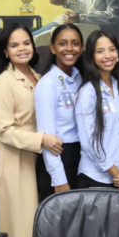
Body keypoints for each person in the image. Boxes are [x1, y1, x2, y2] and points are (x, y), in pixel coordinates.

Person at [0, 23, 61, 237]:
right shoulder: (3, 83)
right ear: (5, 52)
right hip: (14, 160)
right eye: (14, 45)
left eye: (26, 43)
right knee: (21, 228)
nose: (21, 48)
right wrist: (41, 139)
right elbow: (4, 131)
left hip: (39, 158)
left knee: (40, 224)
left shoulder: (40, 77)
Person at [75, 31, 119, 189]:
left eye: (111, 49)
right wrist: (116, 173)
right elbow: (89, 142)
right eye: (100, 51)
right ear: (91, 56)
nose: (108, 55)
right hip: (95, 178)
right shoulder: (87, 93)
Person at [35, 24, 84, 198]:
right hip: (59, 160)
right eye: (63, 43)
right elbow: (48, 137)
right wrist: (59, 180)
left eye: (75, 43)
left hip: (79, 158)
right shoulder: (47, 84)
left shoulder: (80, 79)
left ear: (82, 48)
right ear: (53, 48)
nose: (70, 48)